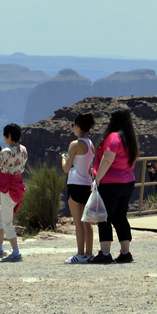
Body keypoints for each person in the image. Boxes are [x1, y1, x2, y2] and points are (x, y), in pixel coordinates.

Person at [89, 107, 139, 264]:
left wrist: (96, 180)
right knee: (120, 217)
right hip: (128, 182)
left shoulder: (113, 137)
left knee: (104, 218)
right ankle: (126, 252)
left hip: (111, 183)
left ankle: (104, 254)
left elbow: (107, 160)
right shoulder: (132, 139)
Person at [0, 124, 28, 263]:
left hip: (8, 189)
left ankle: (16, 252)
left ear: (8, 136)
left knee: (7, 222)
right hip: (17, 187)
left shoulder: (6, 152)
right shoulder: (23, 150)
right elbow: (10, 160)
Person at [61, 113, 95, 264]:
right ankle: (89, 253)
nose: (73, 128)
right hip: (87, 184)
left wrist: (63, 159)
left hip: (75, 184)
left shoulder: (74, 145)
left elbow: (66, 169)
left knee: (78, 222)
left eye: (74, 125)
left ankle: (80, 254)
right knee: (87, 221)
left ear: (79, 126)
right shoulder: (90, 144)